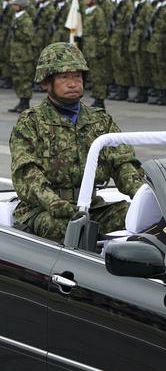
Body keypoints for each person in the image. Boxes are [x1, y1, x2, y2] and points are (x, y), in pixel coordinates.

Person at [10, 42, 144, 243]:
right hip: (44, 210)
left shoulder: (100, 120)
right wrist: (54, 202)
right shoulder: (31, 122)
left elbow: (123, 164)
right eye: (64, 77)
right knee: (68, 229)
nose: (73, 83)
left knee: (139, 218)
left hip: (91, 206)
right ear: (46, 82)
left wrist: (143, 196)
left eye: (77, 76)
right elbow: (26, 173)